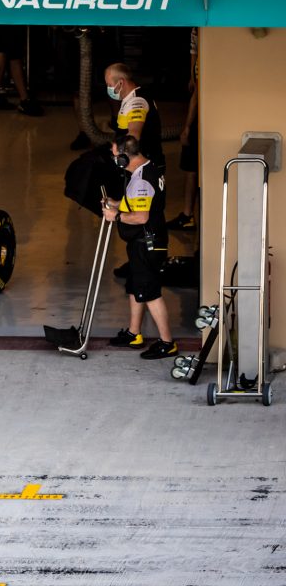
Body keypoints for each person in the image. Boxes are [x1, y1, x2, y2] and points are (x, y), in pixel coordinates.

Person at [104, 135, 177, 360]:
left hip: (148, 243)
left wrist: (115, 216)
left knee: (150, 292)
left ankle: (167, 343)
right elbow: (137, 203)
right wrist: (115, 204)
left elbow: (141, 217)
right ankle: (134, 333)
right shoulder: (145, 170)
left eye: (116, 156)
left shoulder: (142, 180)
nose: (114, 159)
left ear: (125, 157)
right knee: (136, 287)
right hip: (142, 243)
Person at [104, 63, 164, 175]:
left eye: (109, 84)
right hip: (136, 161)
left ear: (121, 82)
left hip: (141, 165)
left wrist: (117, 152)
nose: (108, 89)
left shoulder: (137, 102)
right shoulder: (131, 97)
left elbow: (134, 135)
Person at [167, 28, 200, 232]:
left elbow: (198, 90)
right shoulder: (197, 31)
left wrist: (187, 127)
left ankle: (188, 215)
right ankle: (188, 214)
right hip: (201, 111)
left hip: (201, 117)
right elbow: (193, 50)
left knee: (191, 168)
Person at [0, 25, 42, 116]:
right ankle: (24, 99)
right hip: (10, 17)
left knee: (4, 51)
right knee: (13, 53)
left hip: (2, 16)